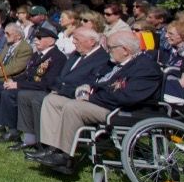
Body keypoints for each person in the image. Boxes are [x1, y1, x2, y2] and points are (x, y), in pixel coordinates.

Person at [30, 30, 162, 174]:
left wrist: (91, 97)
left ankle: (65, 156)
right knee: (52, 100)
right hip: (102, 102)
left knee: (73, 107)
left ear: (125, 50)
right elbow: (97, 80)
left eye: (111, 48)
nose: (107, 51)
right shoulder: (114, 63)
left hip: (121, 110)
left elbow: (127, 97)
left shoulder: (145, 68)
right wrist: (87, 88)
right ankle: (51, 147)